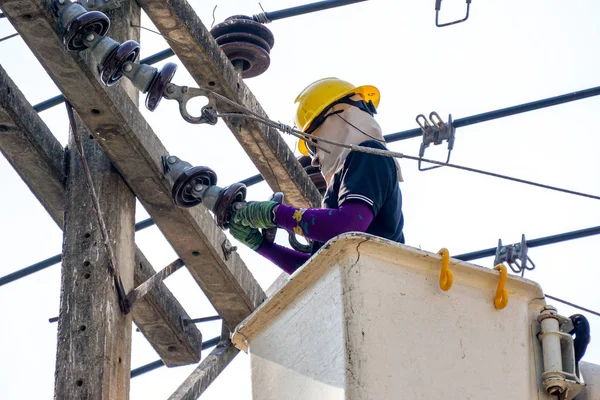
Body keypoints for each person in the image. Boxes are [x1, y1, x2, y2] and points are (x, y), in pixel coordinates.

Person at [229, 77, 405, 274]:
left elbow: (347, 225)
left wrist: (274, 214)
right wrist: (260, 245)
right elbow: (315, 273)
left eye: (312, 147)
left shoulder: (369, 155)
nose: (314, 161)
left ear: (335, 120)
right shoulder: (345, 181)